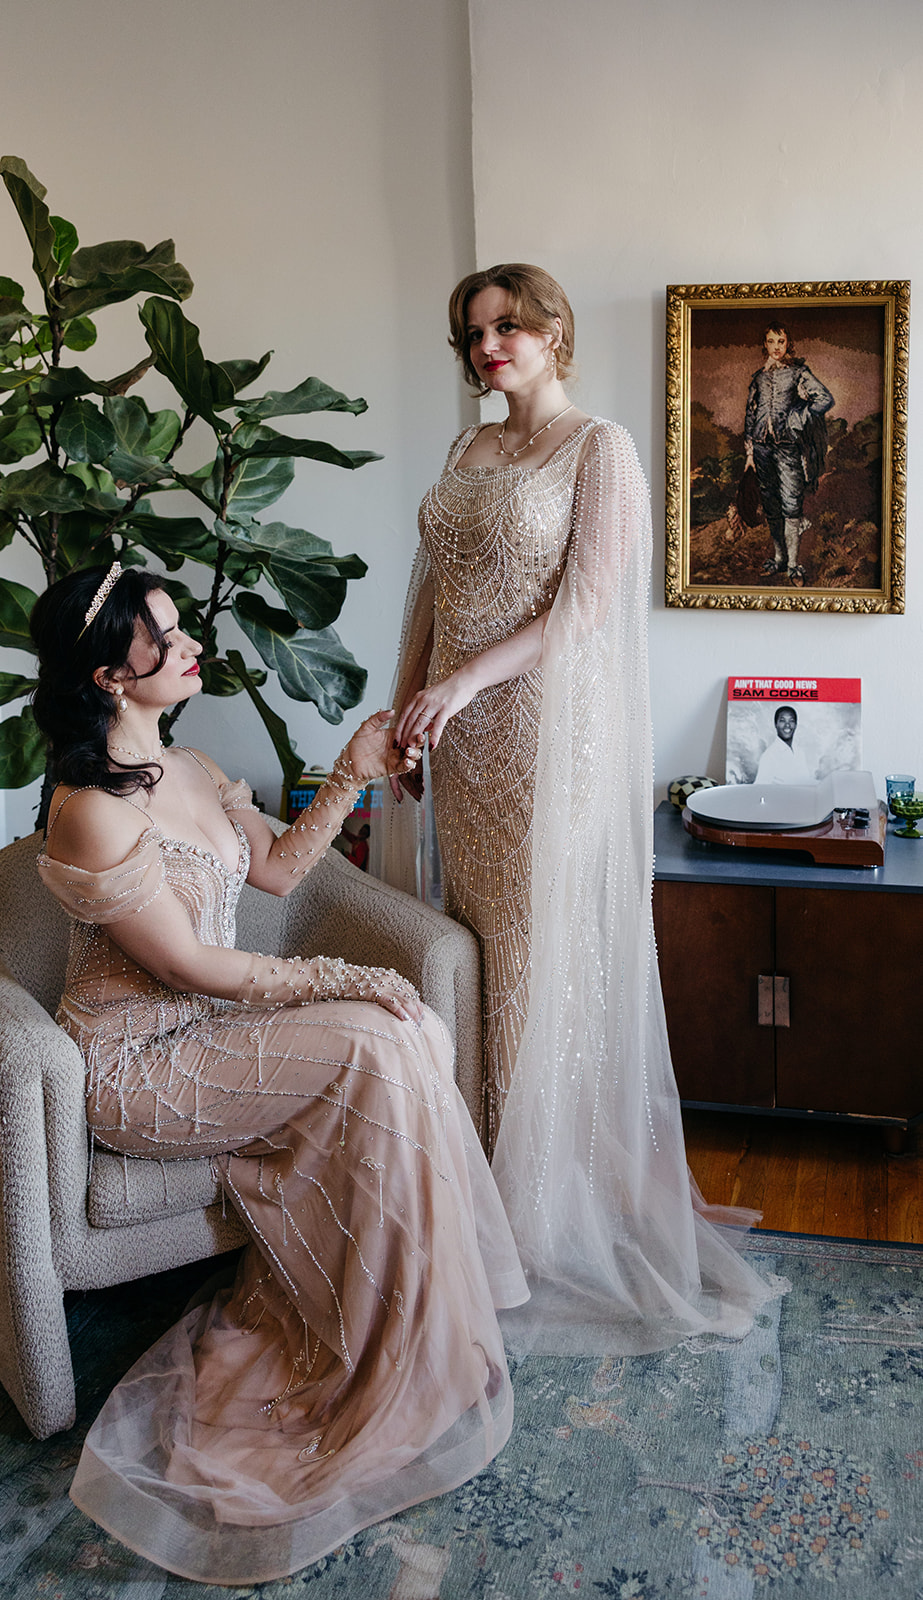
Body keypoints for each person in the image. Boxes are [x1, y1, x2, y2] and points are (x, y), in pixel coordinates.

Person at [30, 562, 526, 1586]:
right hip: (136, 1068)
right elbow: (185, 965)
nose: (185, 645)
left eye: (178, 629)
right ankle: (378, 1353)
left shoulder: (198, 766)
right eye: (161, 639)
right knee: (376, 1031)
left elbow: (280, 871)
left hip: (211, 1032)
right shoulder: (87, 808)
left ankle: (413, 1322)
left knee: (408, 1033)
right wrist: (343, 975)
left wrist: (348, 766)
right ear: (109, 676)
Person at [388, 263, 780, 1354]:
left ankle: (535, 1215)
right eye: (471, 333)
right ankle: (479, 1179)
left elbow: (583, 608)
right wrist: (403, 714)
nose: (486, 347)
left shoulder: (598, 446)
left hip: (542, 740)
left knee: (529, 959)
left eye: (505, 326)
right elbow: (430, 585)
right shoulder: (467, 451)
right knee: (466, 951)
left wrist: (461, 685)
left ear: (553, 332)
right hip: (454, 741)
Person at [743, 322, 834, 583]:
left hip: (787, 447)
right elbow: (750, 416)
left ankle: (794, 564)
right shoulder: (759, 377)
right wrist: (749, 454)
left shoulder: (798, 373)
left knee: (791, 504)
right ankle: (780, 558)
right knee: (771, 504)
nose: (775, 347)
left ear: (788, 343)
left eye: (780, 342)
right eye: (771, 341)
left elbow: (824, 399)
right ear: (765, 344)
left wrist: (799, 415)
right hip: (761, 448)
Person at [755, 704, 813, 783]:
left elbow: (806, 783)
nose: (787, 725)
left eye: (791, 721)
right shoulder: (769, 757)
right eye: (782, 721)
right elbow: (760, 790)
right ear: (776, 724)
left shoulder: (800, 752)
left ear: (796, 725)